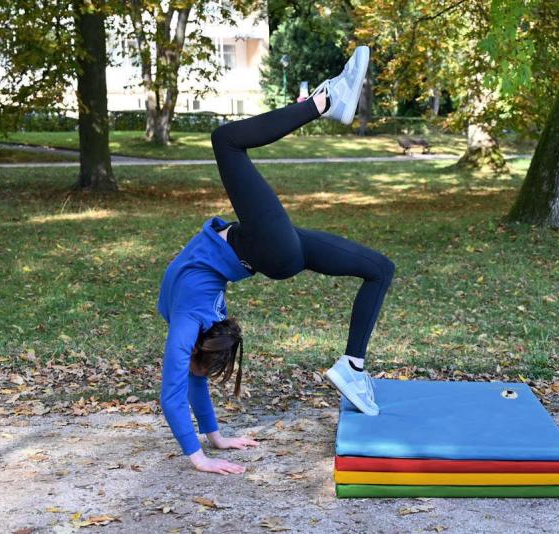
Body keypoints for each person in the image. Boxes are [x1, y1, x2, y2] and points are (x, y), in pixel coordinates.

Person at [157, 46, 394, 475]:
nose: (199, 375)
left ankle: (353, 366)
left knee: (380, 269)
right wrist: (199, 459)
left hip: (270, 248)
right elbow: (172, 393)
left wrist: (215, 439)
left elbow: (187, 385)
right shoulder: (191, 317)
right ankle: (325, 100)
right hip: (266, 249)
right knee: (225, 141)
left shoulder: (190, 323)